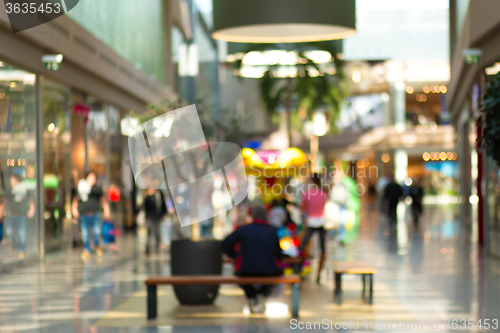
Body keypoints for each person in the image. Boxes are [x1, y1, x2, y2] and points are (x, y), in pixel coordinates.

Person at [221, 204, 283, 314]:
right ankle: (262, 294)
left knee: (238, 275)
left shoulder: (244, 229)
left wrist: (235, 255)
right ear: (266, 216)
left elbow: (225, 244)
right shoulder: (272, 231)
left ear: (251, 215)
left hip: (246, 270)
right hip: (268, 270)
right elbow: (279, 254)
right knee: (278, 274)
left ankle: (252, 295)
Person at [72, 171, 110, 260]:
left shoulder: (97, 189)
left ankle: (97, 246)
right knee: (85, 234)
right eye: (90, 177)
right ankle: (87, 249)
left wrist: (106, 210)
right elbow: (75, 200)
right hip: (84, 215)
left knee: (96, 232)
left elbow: (103, 200)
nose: (92, 180)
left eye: (94, 178)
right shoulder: (80, 188)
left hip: (95, 214)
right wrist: (74, 209)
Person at [298, 173, 328, 284]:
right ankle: (319, 275)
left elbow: (303, 208)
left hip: (310, 222)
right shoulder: (323, 194)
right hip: (321, 222)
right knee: (323, 249)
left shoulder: (307, 193)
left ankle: (299, 271)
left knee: (302, 247)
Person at [0, 174, 35, 259]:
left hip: (22, 215)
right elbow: (5, 201)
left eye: (13, 180)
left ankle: (21, 250)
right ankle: (15, 245)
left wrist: (32, 209)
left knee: (21, 233)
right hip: (12, 215)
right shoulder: (10, 190)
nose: (11, 181)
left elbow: (31, 198)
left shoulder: (23, 189)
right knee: (9, 231)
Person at [141, 189, 167, 254]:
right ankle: (148, 248)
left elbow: (163, 204)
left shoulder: (159, 193)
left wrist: (164, 213)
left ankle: (157, 248)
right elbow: (143, 206)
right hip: (149, 216)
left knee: (157, 232)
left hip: (157, 216)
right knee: (149, 232)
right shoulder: (146, 194)